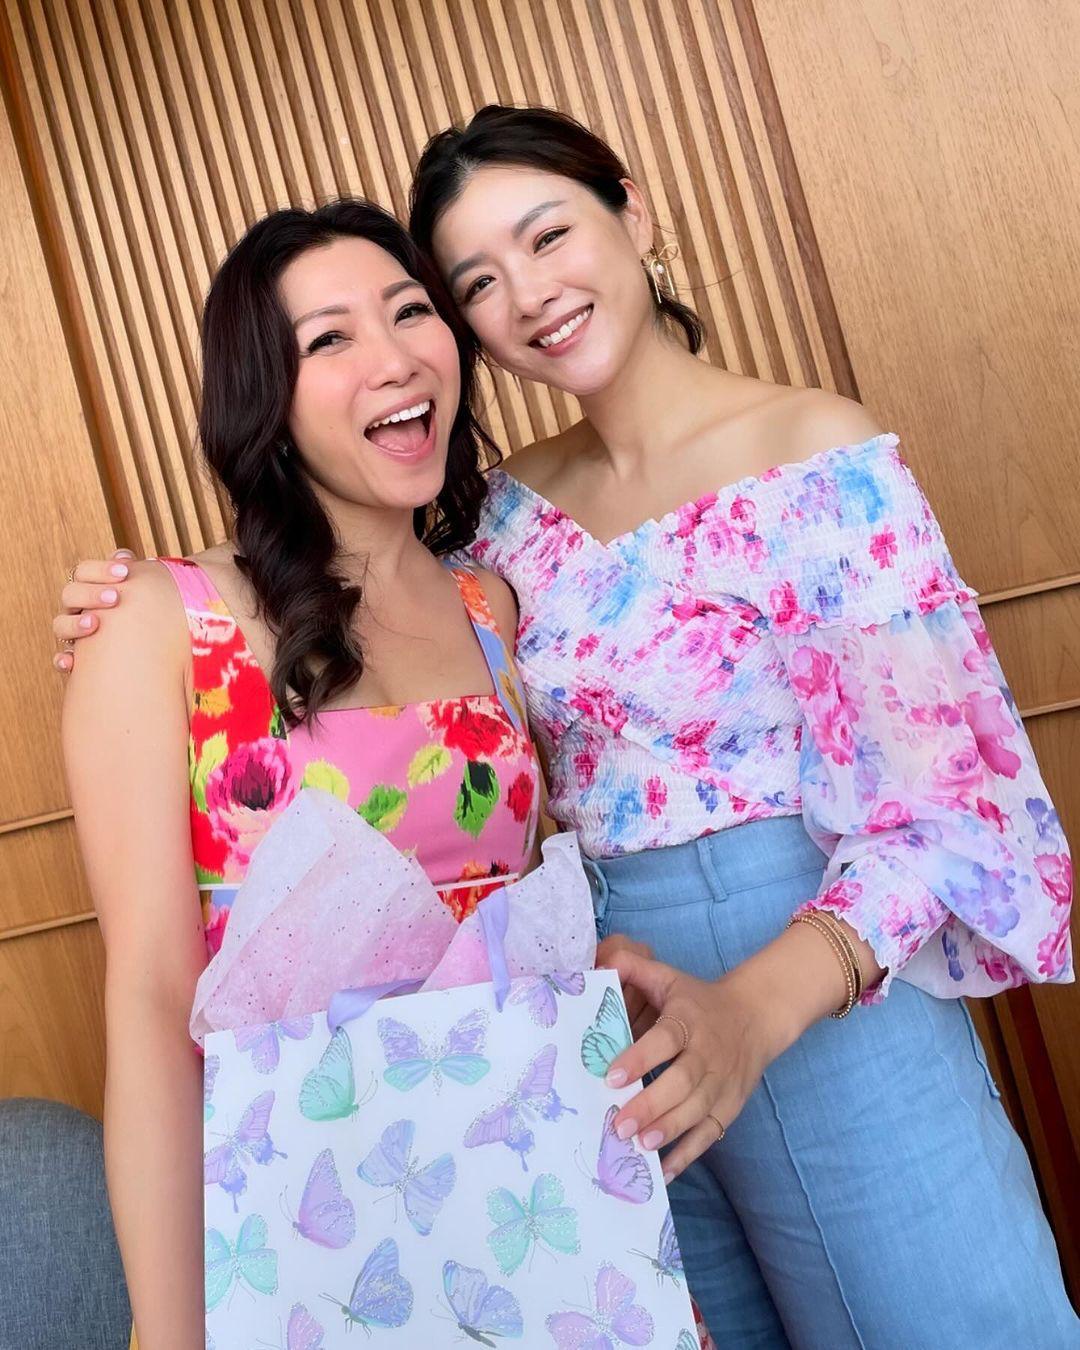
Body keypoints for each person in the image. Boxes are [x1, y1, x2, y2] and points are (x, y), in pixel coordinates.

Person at [57, 106, 1077, 1346]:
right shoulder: (499, 528)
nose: (526, 294)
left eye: (545, 237)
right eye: (477, 280)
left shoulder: (815, 453)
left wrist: (752, 1009)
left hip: (807, 976)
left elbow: (953, 808)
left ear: (633, 213)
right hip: (583, 1027)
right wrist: (125, 616)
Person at [60, 198, 546, 1350]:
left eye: (411, 312)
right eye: (329, 338)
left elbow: (525, 926)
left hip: (523, 1205)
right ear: (266, 403)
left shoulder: (491, 609)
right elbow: (151, 1000)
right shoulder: (159, 622)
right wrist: (171, 1331)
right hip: (295, 1225)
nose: (395, 356)